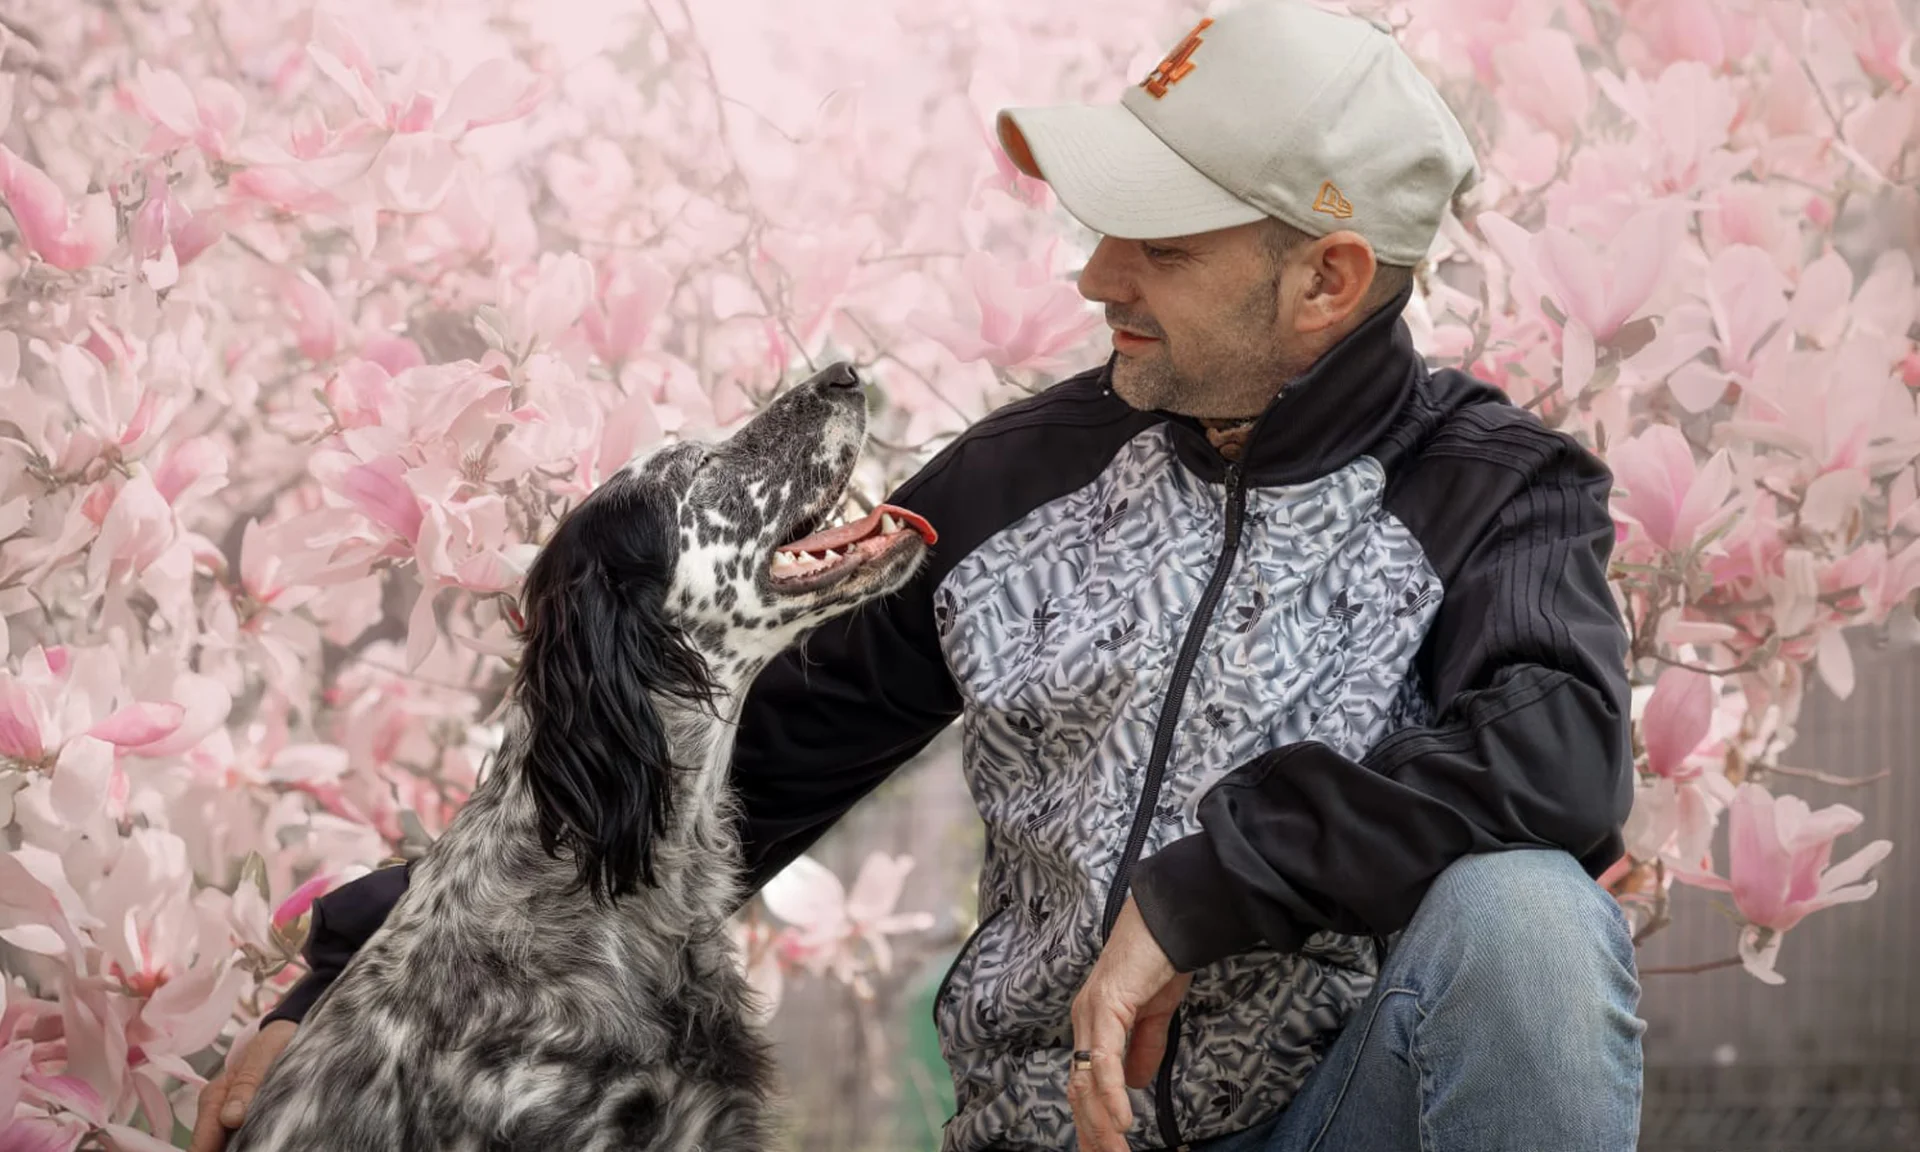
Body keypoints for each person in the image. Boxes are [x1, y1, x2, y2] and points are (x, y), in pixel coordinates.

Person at [192, 2, 1645, 1150]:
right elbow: (725, 763)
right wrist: (341, 991)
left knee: (1528, 917)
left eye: (1159, 243)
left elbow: (1561, 757)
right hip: (1048, 1136)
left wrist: (1215, 888)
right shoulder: (1026, 476)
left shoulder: (1496, 494)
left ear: (1328, 278)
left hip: (1340, 1121)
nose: (1094, 275)